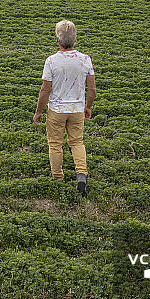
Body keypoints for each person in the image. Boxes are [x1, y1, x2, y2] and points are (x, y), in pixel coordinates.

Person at [33, 20, 96, 195]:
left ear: (57, 40)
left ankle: (57, 177)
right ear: (75, 39)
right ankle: (81, 173)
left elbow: (45, 89)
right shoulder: (85, 60)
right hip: (77, 110)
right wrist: (88, 106)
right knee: (77, 142)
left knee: (55, 144)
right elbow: (92, 89)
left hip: (56, 111)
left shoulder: (51, 61)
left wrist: (39, 111)